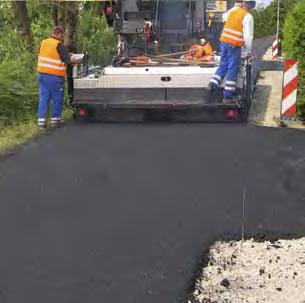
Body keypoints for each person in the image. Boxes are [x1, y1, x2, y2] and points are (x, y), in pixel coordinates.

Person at [209, 0, 256, 104]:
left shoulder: (233, 11)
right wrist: (248, 51)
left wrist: (235, 7)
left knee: (223, 65)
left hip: (224, 42)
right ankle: (227, 96)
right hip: (234, 45)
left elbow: (223, 17)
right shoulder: (248, 17)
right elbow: (248, 36)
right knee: (233, 68)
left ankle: (213, 83)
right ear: (251, 6)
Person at [37, 26, 79, 128]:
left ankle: (41, 121)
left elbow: (52, 55)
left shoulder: (44, 42)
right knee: (57, 98)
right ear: (60, 34)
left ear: (52, 33)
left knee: (44, 97)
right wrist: (75, 60)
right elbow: (67, 60)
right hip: (54, 76)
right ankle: (55, 120)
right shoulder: (59, 45)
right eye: (62, 35)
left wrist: (67, 54)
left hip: (42, 74)